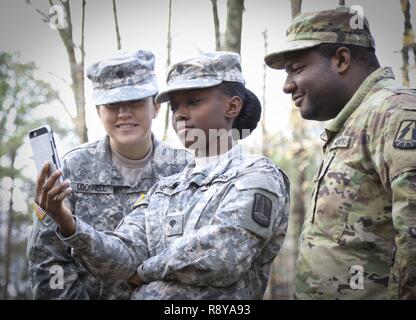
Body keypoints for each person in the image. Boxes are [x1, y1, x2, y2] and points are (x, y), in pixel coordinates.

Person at [34, 51, 290, 299]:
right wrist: (68, 224)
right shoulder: (165, 189)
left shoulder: (256, 174)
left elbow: (224, 255)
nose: (180, 113)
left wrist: (144, 272)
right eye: (175, 105)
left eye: (194, 101)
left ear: (233, 106)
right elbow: (123, 254)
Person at [265, 7, 416, 299]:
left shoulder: (394, 112)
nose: (286, 86)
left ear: (342, 59)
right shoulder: (355, 122)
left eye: (297, 69)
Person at [27, 50, 191, 299]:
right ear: (98, 111)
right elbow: (48, 260)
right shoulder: (72, 169)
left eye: (136, 101)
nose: (124, 113)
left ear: (156, 106)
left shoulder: (184, 170)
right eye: (112, 104)